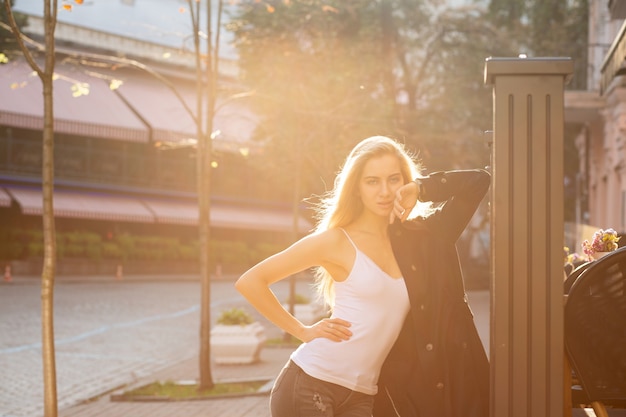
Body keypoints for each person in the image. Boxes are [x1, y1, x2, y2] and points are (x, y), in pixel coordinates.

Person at [235, 135, 490, 417]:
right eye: (372, 181)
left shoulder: (419, 240)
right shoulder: (335, 240)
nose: (384, 191)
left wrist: (423, 187)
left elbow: (479, 183)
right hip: (312, 383)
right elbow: (251, 281)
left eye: (393, 179)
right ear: (356, 188)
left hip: (363, 395)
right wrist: (302, 331)